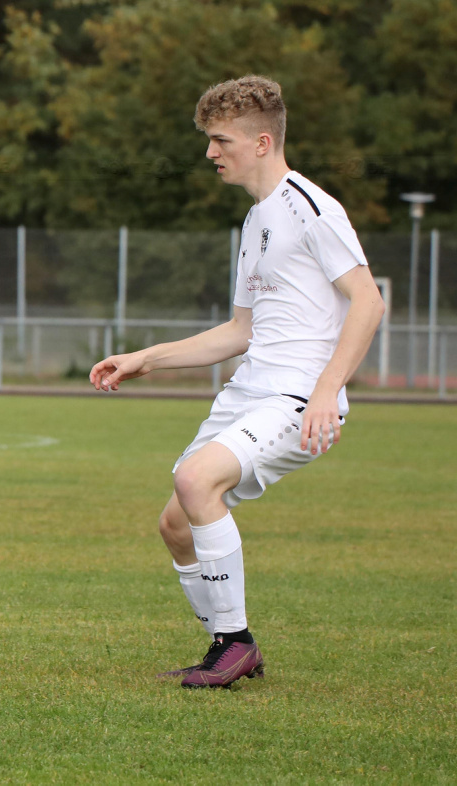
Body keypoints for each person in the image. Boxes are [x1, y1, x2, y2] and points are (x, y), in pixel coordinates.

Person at [89, 75, 385, 688]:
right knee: (176, 523)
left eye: (219, 139)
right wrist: (148, 357)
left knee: (196, 479)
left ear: (262, 141)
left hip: (298, 396)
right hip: (250, 390)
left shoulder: (311, 207)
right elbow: (239, 331)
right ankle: (223, 649)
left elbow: (368, 301)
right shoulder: (257, 220)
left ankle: (235, 642)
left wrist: (328, 389)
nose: (209, 152)